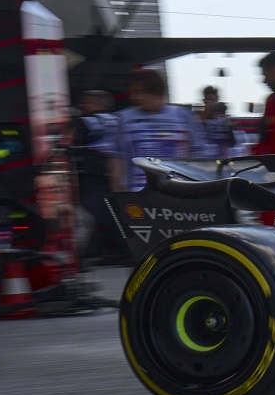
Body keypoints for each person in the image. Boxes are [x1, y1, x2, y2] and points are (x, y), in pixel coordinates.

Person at [112, 69, 207, 191]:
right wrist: (118, 193)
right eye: (133, 92)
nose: (135, 97)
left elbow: (199, 153)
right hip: (139, 191)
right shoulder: (123, 118)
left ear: (157, 93)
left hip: (179, 189)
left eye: (140, 92)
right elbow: (116, 159)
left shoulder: (183, 116)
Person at [70, 89, 126, 261]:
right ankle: (120, 249)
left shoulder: (88, 121)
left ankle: (94, 251)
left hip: (92, 176)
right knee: (115, 212)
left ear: (99, 104)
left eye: (87, 102)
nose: (82, 106)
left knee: (92, 214)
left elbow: (69, 139)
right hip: (115, 173)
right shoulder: (118, 120)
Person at [198, 85, 235, 160]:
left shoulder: (224, 117)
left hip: (223, 155)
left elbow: (232, 141)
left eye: (212, 101)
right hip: (205, 156)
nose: (210, 105)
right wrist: (205, 114)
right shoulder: (199, 113)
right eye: (207, 101)